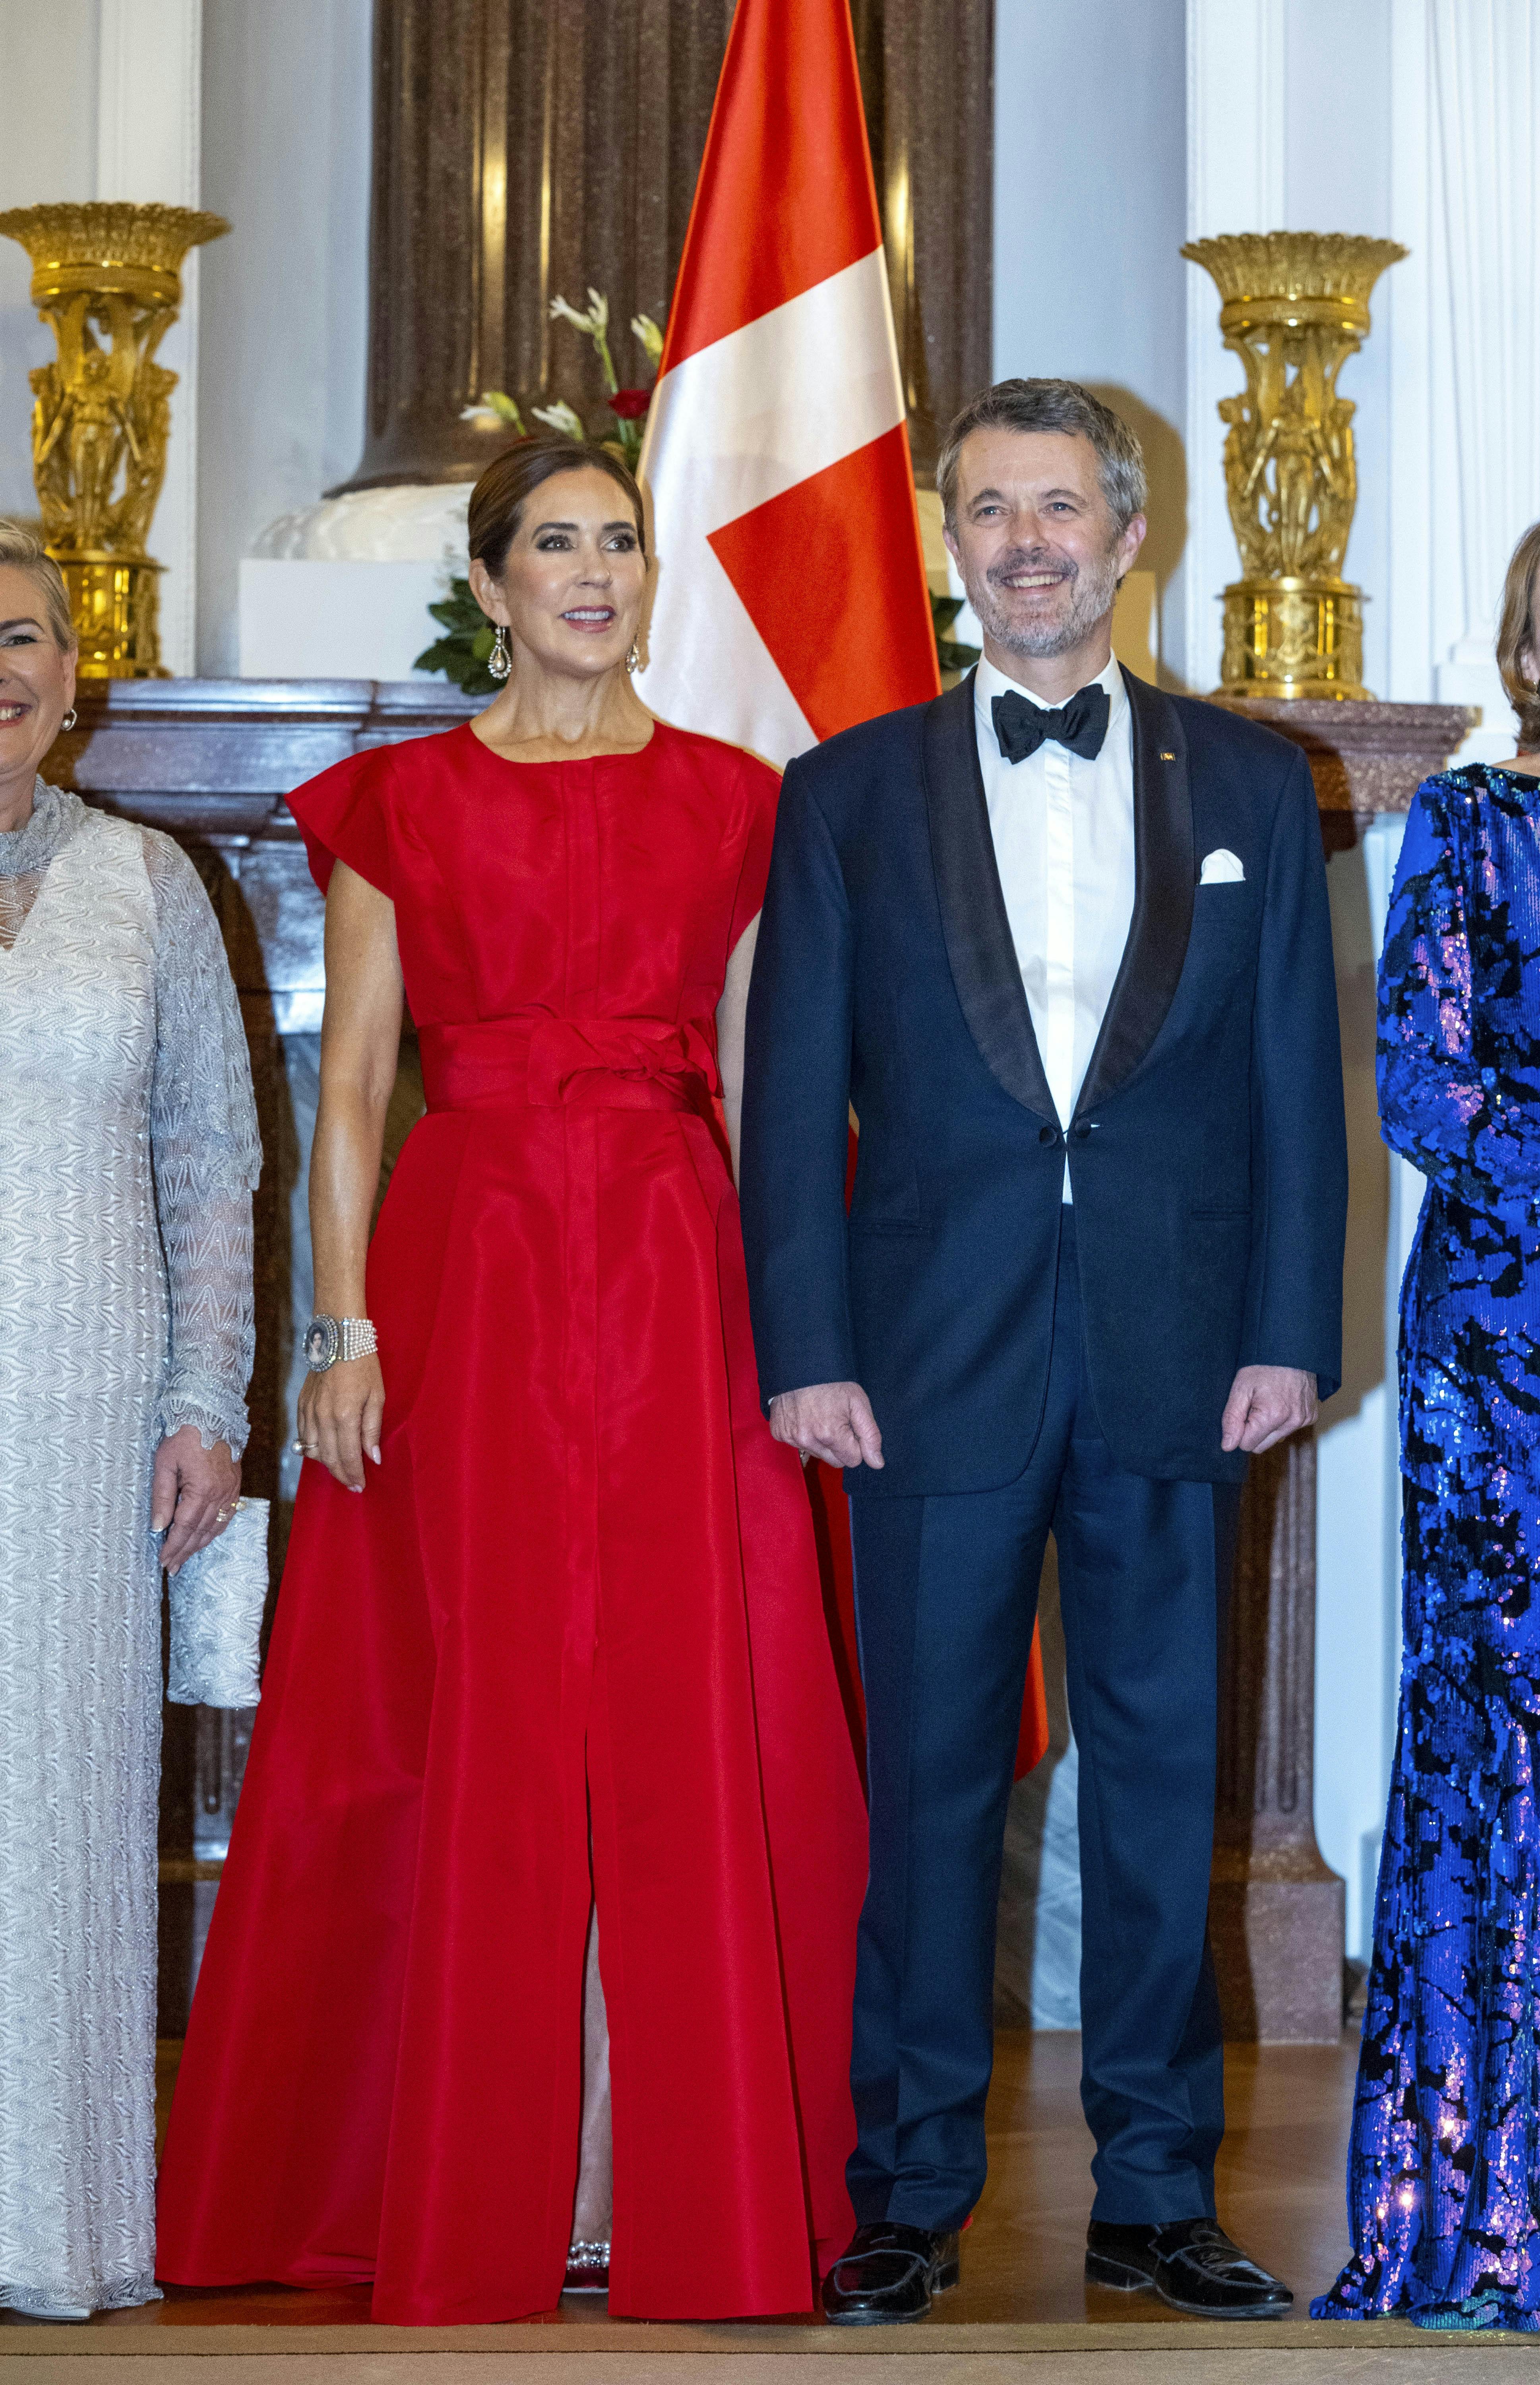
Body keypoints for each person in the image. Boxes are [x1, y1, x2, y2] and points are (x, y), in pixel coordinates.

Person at [155, 442, 869, 2325]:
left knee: (672, 1711)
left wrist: (797, 1337)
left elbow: (759, 1088)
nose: (591, 571)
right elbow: (356, 1087)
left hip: (671, 1272)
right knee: (466, 1707)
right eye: (554, 542)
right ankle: (488, 2178)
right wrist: (340, 1328)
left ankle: (663, 2188)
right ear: (490, 583)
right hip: (462, 1273)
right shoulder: (405, 801)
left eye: (619, 543)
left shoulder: (736, 804)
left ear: (650, 580)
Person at [741, 379, 1348, 2326]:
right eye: (989, 509)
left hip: (1185, 1355)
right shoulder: (844, 792)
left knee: (1164, 1778)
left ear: (1129, 532)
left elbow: (1291, 1095)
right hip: (921, 1361)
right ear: (949, 544)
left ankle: (1154, 2192)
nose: (1026, 543)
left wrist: (1287, 1330)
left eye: (1061, 507)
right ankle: (908, 2186)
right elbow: (790, 1100)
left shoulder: (1254, 784)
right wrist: (805, 1344)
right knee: (926, 1781)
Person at [1315, 498, 1540, 2334]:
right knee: (1507, 1739)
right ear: (1523, 646)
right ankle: (1494, 2204)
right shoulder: (1475, 828)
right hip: (1516, 1352)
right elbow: (1421, 1079)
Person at [0, 522, 259, 2319]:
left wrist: (206, 1399)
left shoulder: (153, 883)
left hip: (88, 1410)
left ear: (73, 673)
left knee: (66, 1810)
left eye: (22, 637)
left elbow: (211, 1158)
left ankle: (50, 2227)